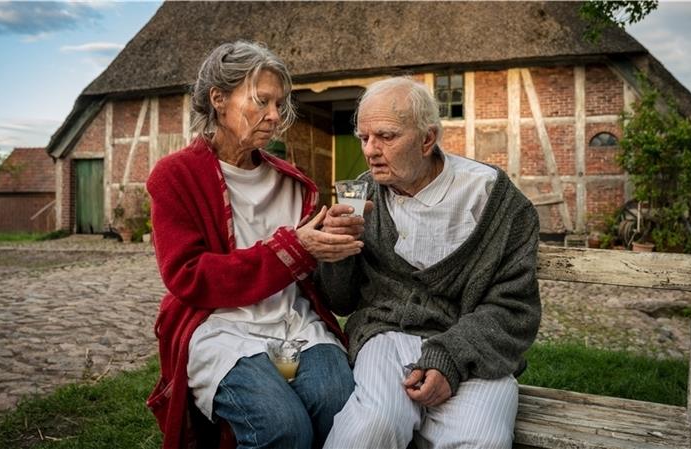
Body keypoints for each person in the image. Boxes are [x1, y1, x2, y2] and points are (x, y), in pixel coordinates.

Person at [145, 41, 358, 449]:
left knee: (339, 406)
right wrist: (294, 248)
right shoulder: (174, 177)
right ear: (219, 99)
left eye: (280, 104)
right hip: (221, 328)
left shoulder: (292, 182)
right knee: (283, 427)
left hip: (296, 325)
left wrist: (329, 244)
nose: (275, 116)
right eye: (261, 101)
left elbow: (312, 280)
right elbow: (188, 276)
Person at [318, 77, 541, 449]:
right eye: (363, 138)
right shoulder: (362, 193)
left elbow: (513, 308)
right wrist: (336, 252)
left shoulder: (494, 201)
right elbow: (340, 300)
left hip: (471, 345)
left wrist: (449, 358)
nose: (370, 151)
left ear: (427, 139)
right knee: (370, 428)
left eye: (386, 137)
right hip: (385, 335)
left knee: (480, 440)